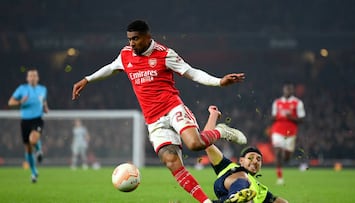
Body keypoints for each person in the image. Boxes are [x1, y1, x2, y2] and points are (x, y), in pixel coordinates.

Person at [72, 20, 247, 203]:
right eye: (129, 39)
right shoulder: (125, 55)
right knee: (172, 163)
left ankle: (220, 130)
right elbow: (111, 68)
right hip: (153, 120)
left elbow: (192, 72)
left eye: (135, 39)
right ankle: (206, 202)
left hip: (172, 108)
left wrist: (219, 81)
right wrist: (87, 79)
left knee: (194, 145)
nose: (131, 43)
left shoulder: (165, 54)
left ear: (148, 37)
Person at [203, 105, 289, 203]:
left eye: (258, 159)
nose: (255, 161)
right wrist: (213, 115)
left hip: (228, 197)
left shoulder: (261, 189)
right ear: (241, 161)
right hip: (229, 184)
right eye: (251, 158)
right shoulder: (228, 165)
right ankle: (238, 197)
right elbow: (207, 143)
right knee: (243, 178)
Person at [8, 69, 49, 183]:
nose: (32, 78)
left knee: (33, 140)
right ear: (27, 78)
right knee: (28, 149)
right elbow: (10, 102)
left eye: (34, 76)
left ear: (37, 78)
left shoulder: (43, 89)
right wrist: (20, 102)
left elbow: (43, 101)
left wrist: (45, 108)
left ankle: (39, 150)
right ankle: (34, 172)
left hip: (37, 119)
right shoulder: (22, 89)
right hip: (25, 121)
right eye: (30, 76)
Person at [270, 82, 305, 185]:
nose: (287, 91)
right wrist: (278, 116)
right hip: (277, 131)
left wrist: (291, 117)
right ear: (283, 90)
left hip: (291, 133)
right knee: (277, 152)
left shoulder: (297, 103)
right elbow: (273, 116)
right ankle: (280, 178)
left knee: (286, 157)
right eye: (286, 89)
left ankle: (285, 159)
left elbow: (302, 119)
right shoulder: (277, 102)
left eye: (289, 90)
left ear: (292, 91)